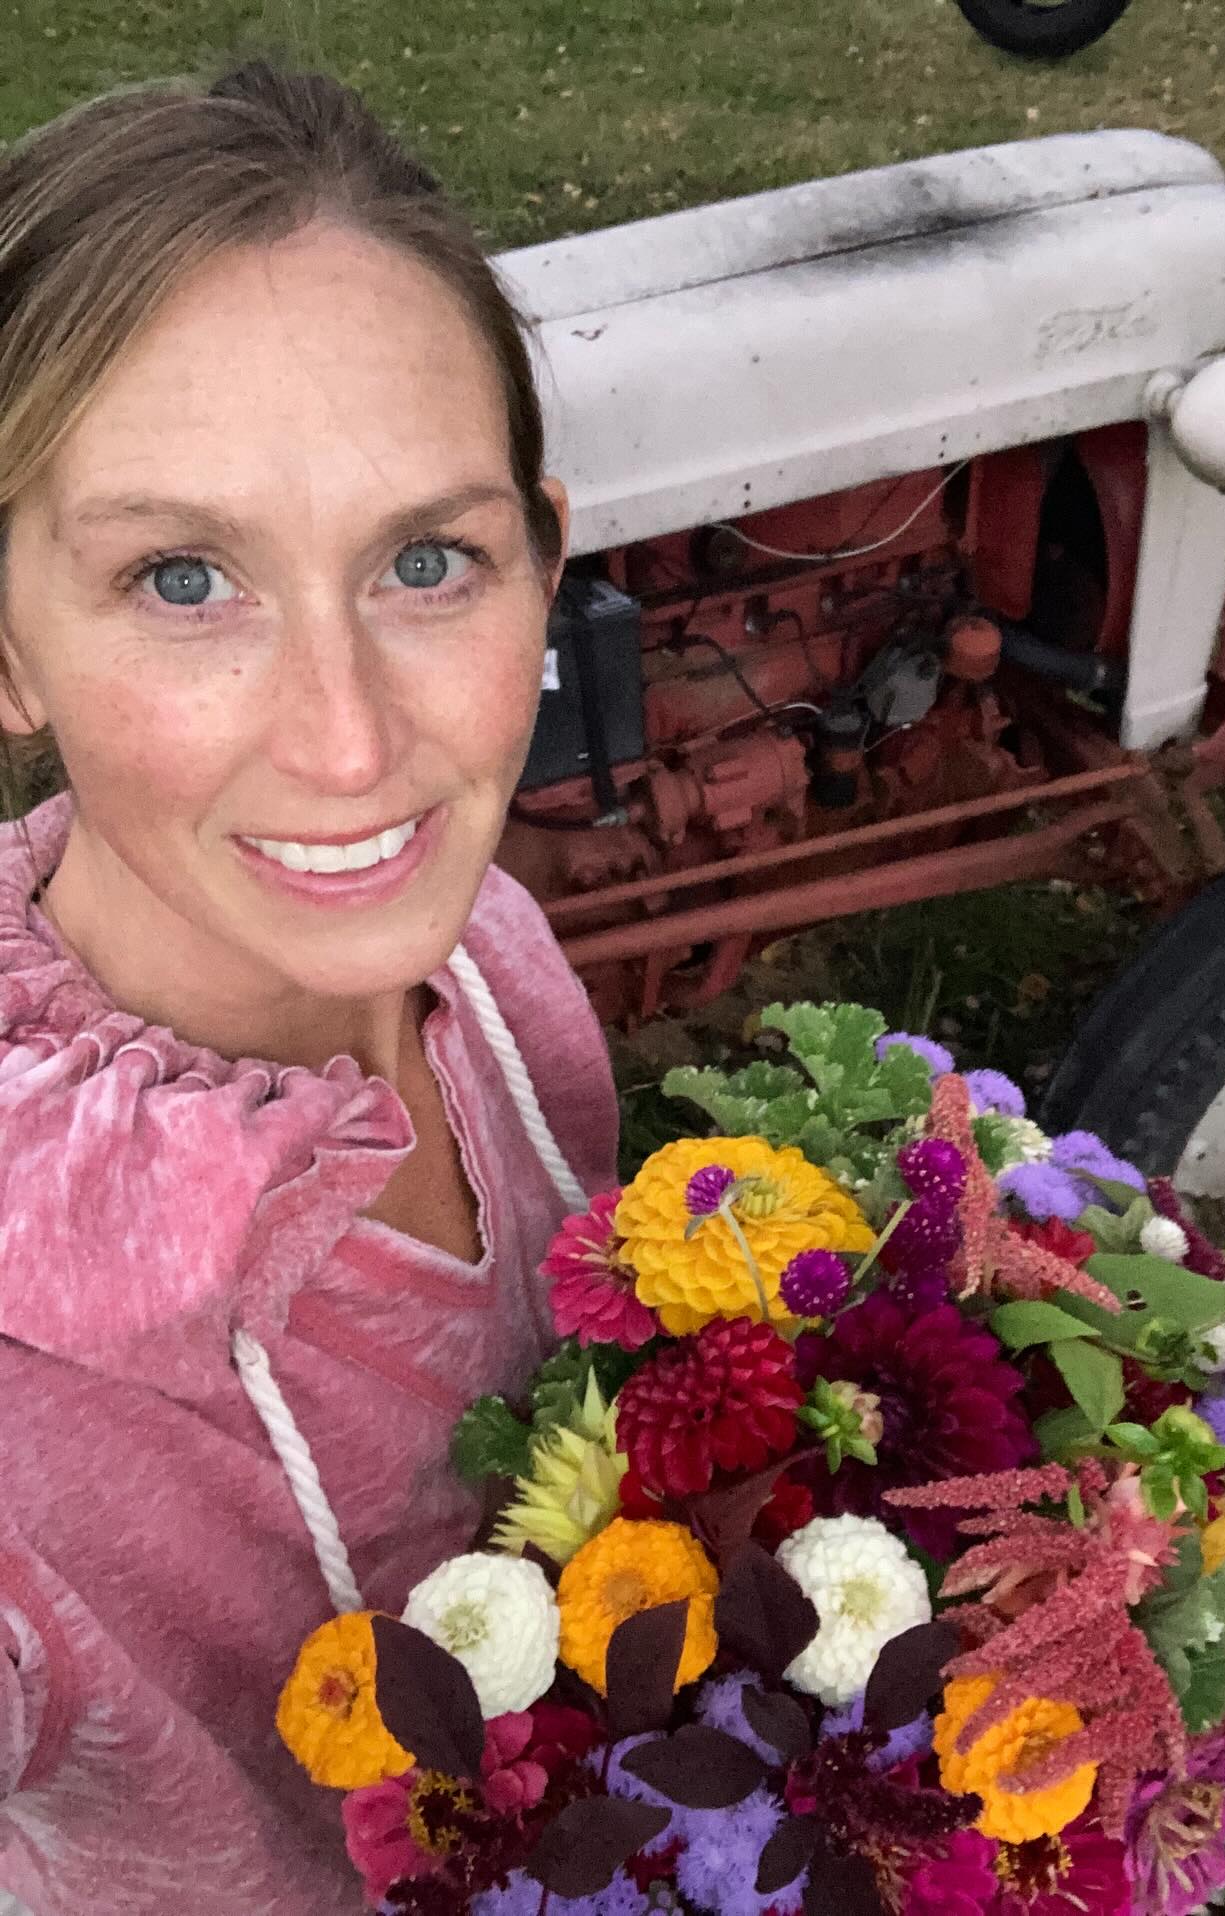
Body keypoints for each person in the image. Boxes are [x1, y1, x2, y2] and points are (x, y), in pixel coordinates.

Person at [0, 57, 618, 1915]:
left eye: (430, 561)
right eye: (184, 578)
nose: (354, 750)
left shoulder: (483, 950)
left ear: (548, 559)